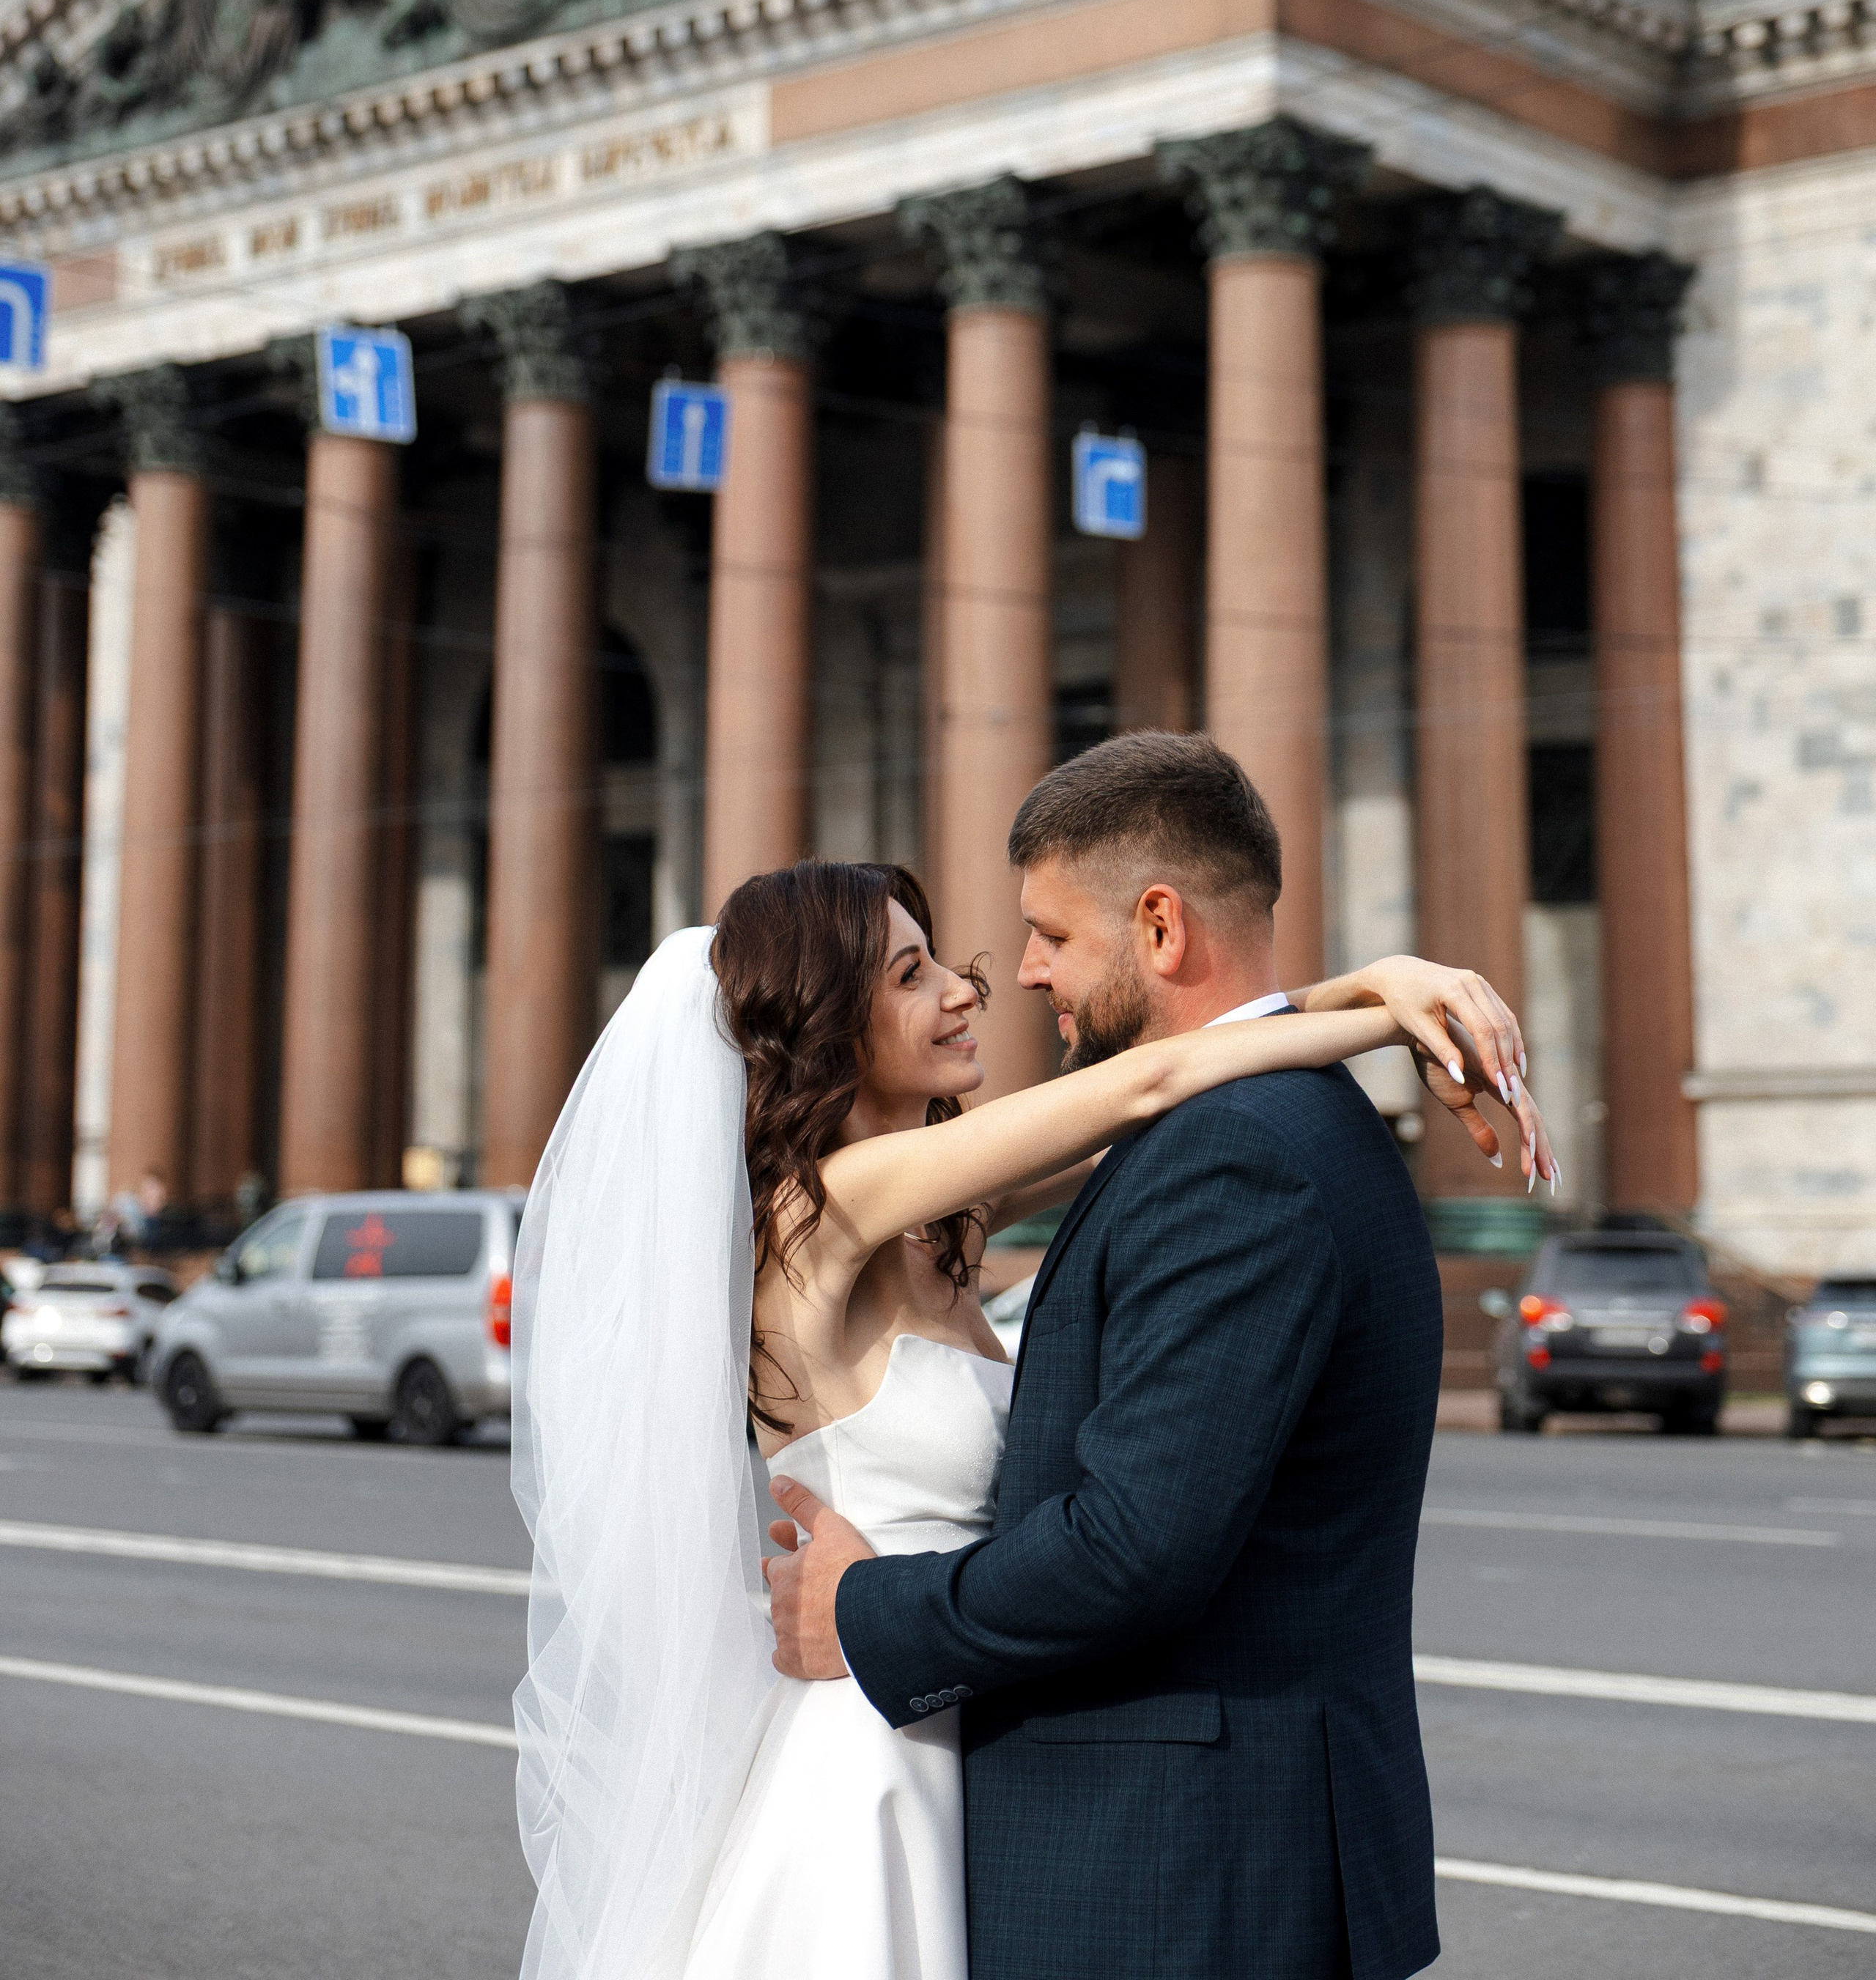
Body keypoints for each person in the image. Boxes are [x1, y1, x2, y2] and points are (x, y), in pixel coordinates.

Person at [511, 742, 1555, 1980]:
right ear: (828, 1030)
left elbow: (1170, 1087)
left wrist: (1356, 1001)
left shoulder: (939, 1222)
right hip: (876, 1742)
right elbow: (1152, 1078)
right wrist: (1391, 1004)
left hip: (953, 1704)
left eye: (956, 956)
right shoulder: (823, 1212)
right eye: (913, 975)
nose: (976, 988)